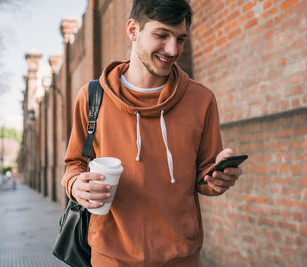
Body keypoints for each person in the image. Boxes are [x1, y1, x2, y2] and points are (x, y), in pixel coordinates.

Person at [62, 0, 243, 266]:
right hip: (110, 257)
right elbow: (73, 165)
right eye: (161, 35)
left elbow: (204, 178)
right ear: (133, 30)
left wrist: (218, 178)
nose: (172, 49)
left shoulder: (201, 100)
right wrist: (76, 185)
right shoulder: (92, 98)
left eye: (180, 39)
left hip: (181, 258)